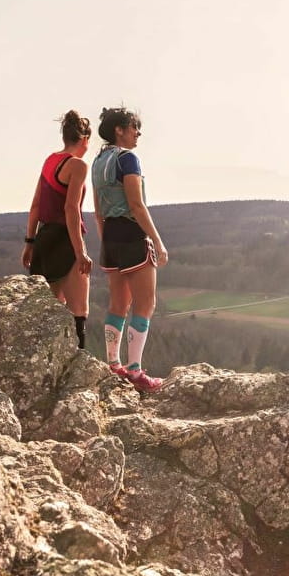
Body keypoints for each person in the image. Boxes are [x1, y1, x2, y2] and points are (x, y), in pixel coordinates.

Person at [90, 106, 168, 391]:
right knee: (145, 303)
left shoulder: (98, 162)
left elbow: (98, 210)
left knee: (118, 303)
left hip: (109, 236)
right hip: (132, 233)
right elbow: (136, 204)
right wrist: (157, 242)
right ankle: (135, 370)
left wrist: (107, 240)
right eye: (133, 127)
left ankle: (113, 364)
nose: (138, 133)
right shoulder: (128, 159)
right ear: (119, 130)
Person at [23, 111, 93, 347]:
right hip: (66, 240)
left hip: (44, 238)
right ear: (84, 140)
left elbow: (34, 205)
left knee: (46, 311)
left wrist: (29, 242)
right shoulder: (78, 166)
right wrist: (80, 251)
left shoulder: (50, 161)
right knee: (78, 312)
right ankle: (77, 366)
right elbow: (71, 209)